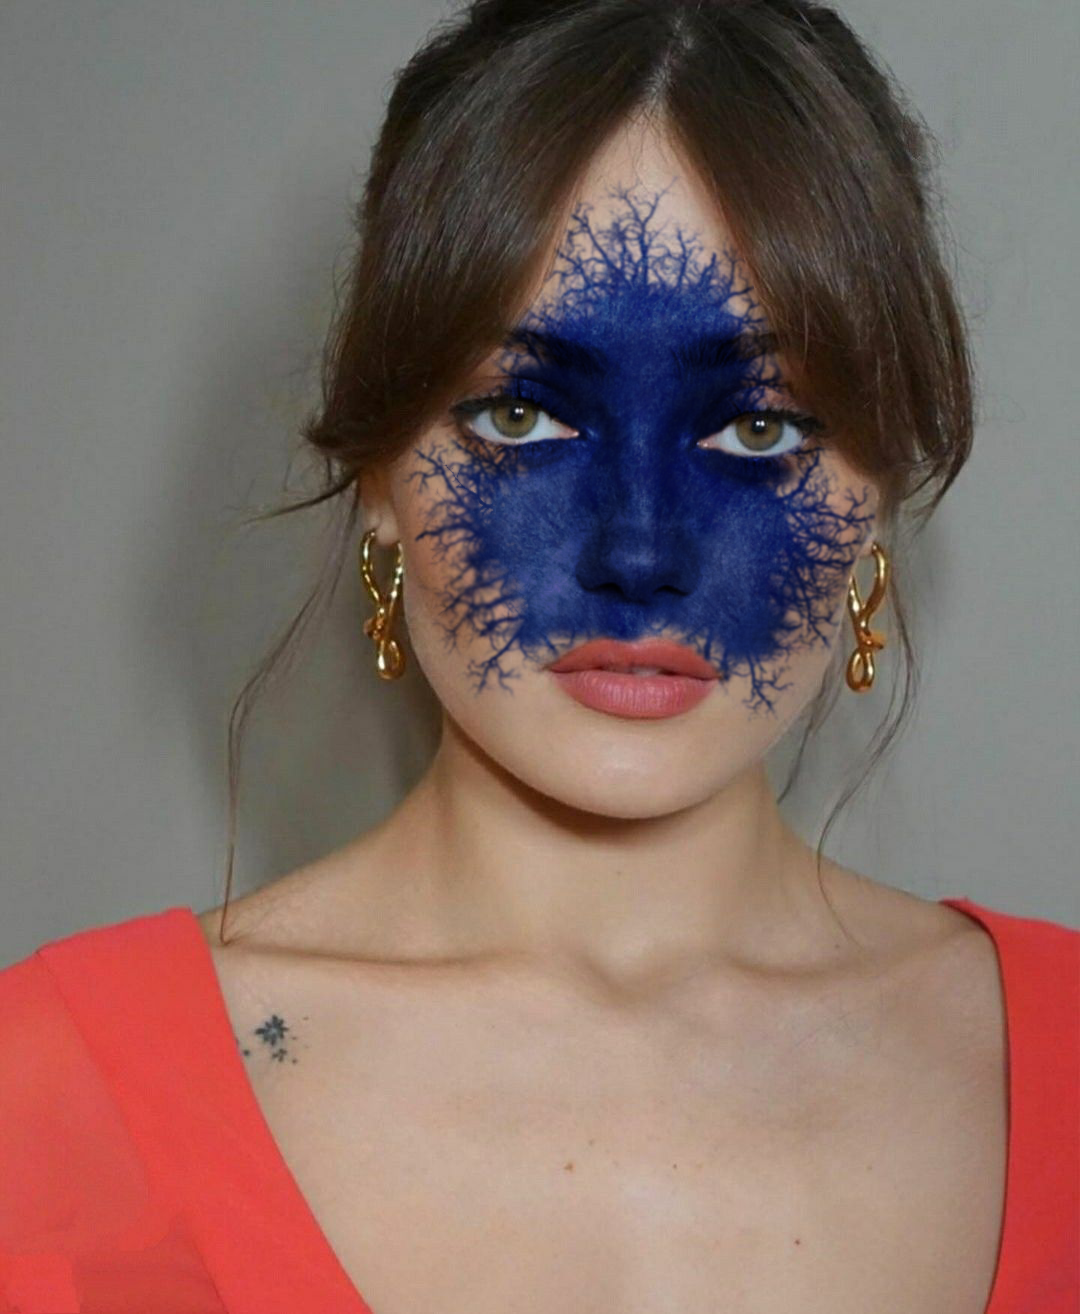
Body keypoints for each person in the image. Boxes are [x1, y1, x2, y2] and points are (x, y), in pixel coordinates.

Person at [1, 2, 1076, 1312]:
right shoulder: (44, 1100)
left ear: (877, 503)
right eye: (522, 415)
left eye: (757, 429)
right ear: (380, 477)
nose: (638, 555)